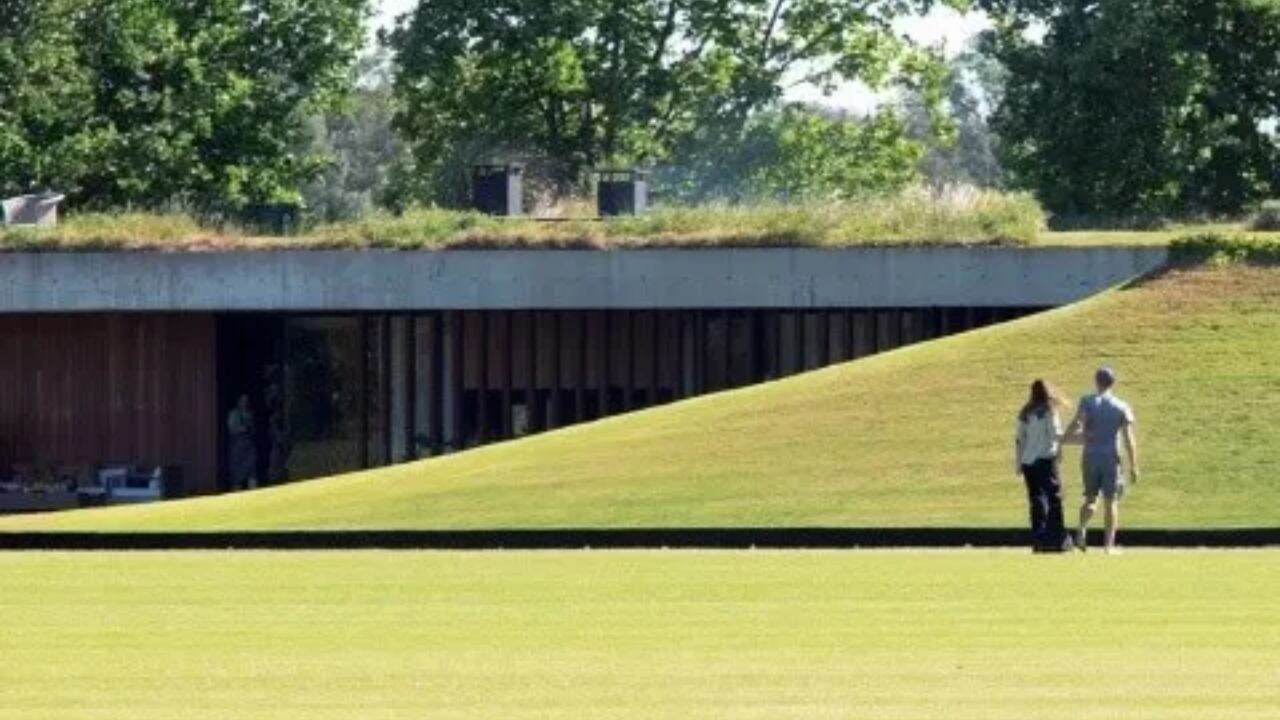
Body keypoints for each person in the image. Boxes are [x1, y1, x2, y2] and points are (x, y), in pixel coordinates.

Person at [1061, 367, 1139, 553]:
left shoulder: (1087, 401)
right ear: (1113, 383)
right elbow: (1129, 438)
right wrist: (1134, 465)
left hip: (1090, 456)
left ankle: (1081, 529)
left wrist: (1064, 439)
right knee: (1111, 501)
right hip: (1111, 457)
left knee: (1090, 499)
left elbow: (1076, 423)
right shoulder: (1121, 406)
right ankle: (1108, 546)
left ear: (1096, 381)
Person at [1014, 379, 1071, 552]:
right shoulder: (1049, 411)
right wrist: (1060, 452)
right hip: (1046, 459)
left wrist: (1018, 463)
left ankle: (1038, 540)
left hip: (1028, 462)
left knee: (1036, 501)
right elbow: (1056, 434)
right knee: (1054, 499)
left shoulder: (1025, 413)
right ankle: (1056, 539)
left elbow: (1019, 439)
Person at [226, 393, 258, 491]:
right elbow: (231, 428)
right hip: (237, 446)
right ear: (238, 401)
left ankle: (254, 493)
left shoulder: (250, 414)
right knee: (236, 472)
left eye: (246, 400)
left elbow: (254, 429)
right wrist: (242, 429)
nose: (245, 402)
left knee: (252, 469)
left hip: (249, 445)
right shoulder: (233, 414)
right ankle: (236, 494)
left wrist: (250, 430)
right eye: (243, 400)